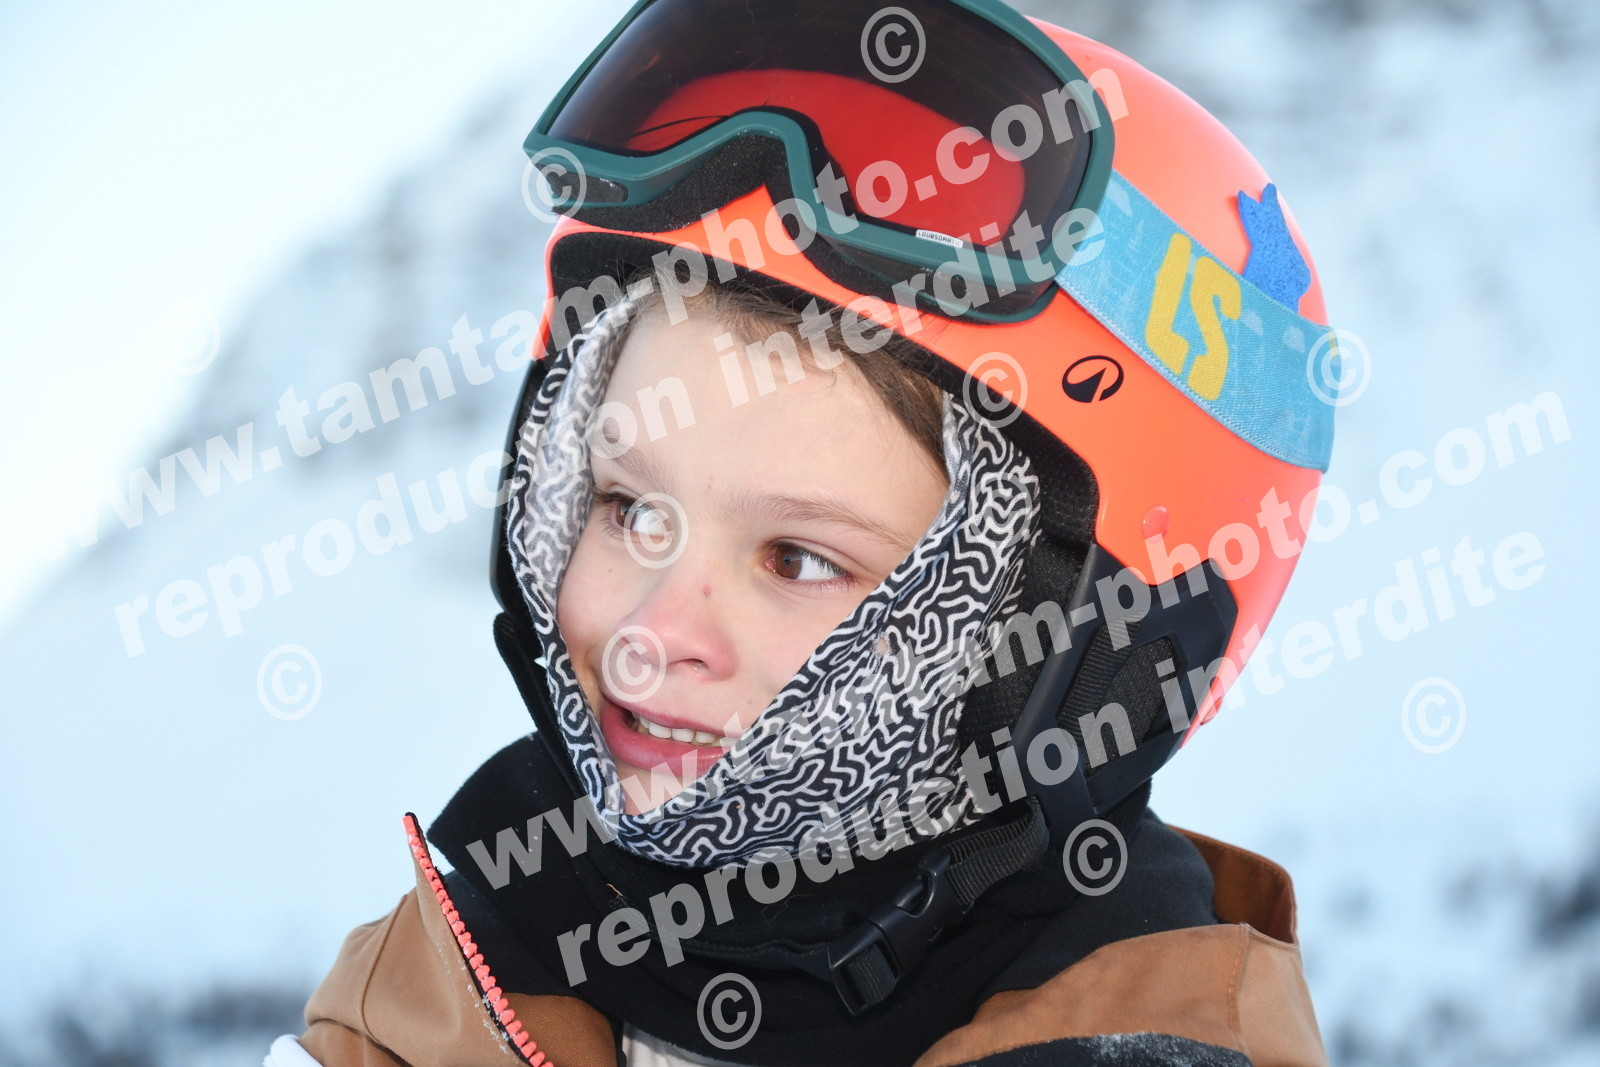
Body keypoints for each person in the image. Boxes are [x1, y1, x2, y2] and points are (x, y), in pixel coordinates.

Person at [270, 1, 1339, 1063]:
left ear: (1098, 639)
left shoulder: (1158, 1036)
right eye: (628, 509)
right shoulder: (425, 1000)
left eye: (798, 559)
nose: (651, 635)